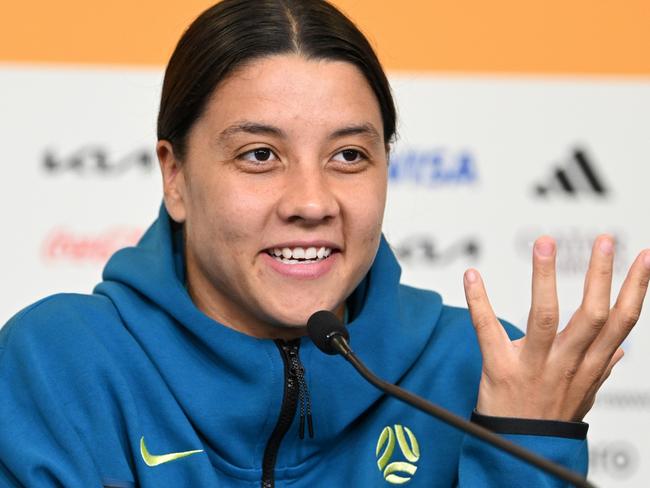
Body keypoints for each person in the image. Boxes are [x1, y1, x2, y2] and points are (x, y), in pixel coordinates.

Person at [1, 1, 648, 486]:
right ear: (176, 176)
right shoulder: (63, 363)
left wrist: (526, 445)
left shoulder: (483, 372)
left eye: (348, 155)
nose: (311, 202)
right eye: (260, 155)